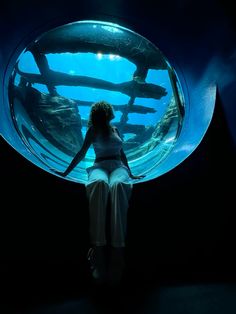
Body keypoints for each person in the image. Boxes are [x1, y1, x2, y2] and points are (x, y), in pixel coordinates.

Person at [54, 100, 145, 285]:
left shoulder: (116, 130)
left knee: (119, 186)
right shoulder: (93, 130)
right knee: (98, 183)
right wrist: (65, 172)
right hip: (99, 165)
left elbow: (123, 154)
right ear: (104, 113)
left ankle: (118, 253)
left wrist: (132, 173)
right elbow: (81, 153)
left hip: (117, 165)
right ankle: (98, 250)